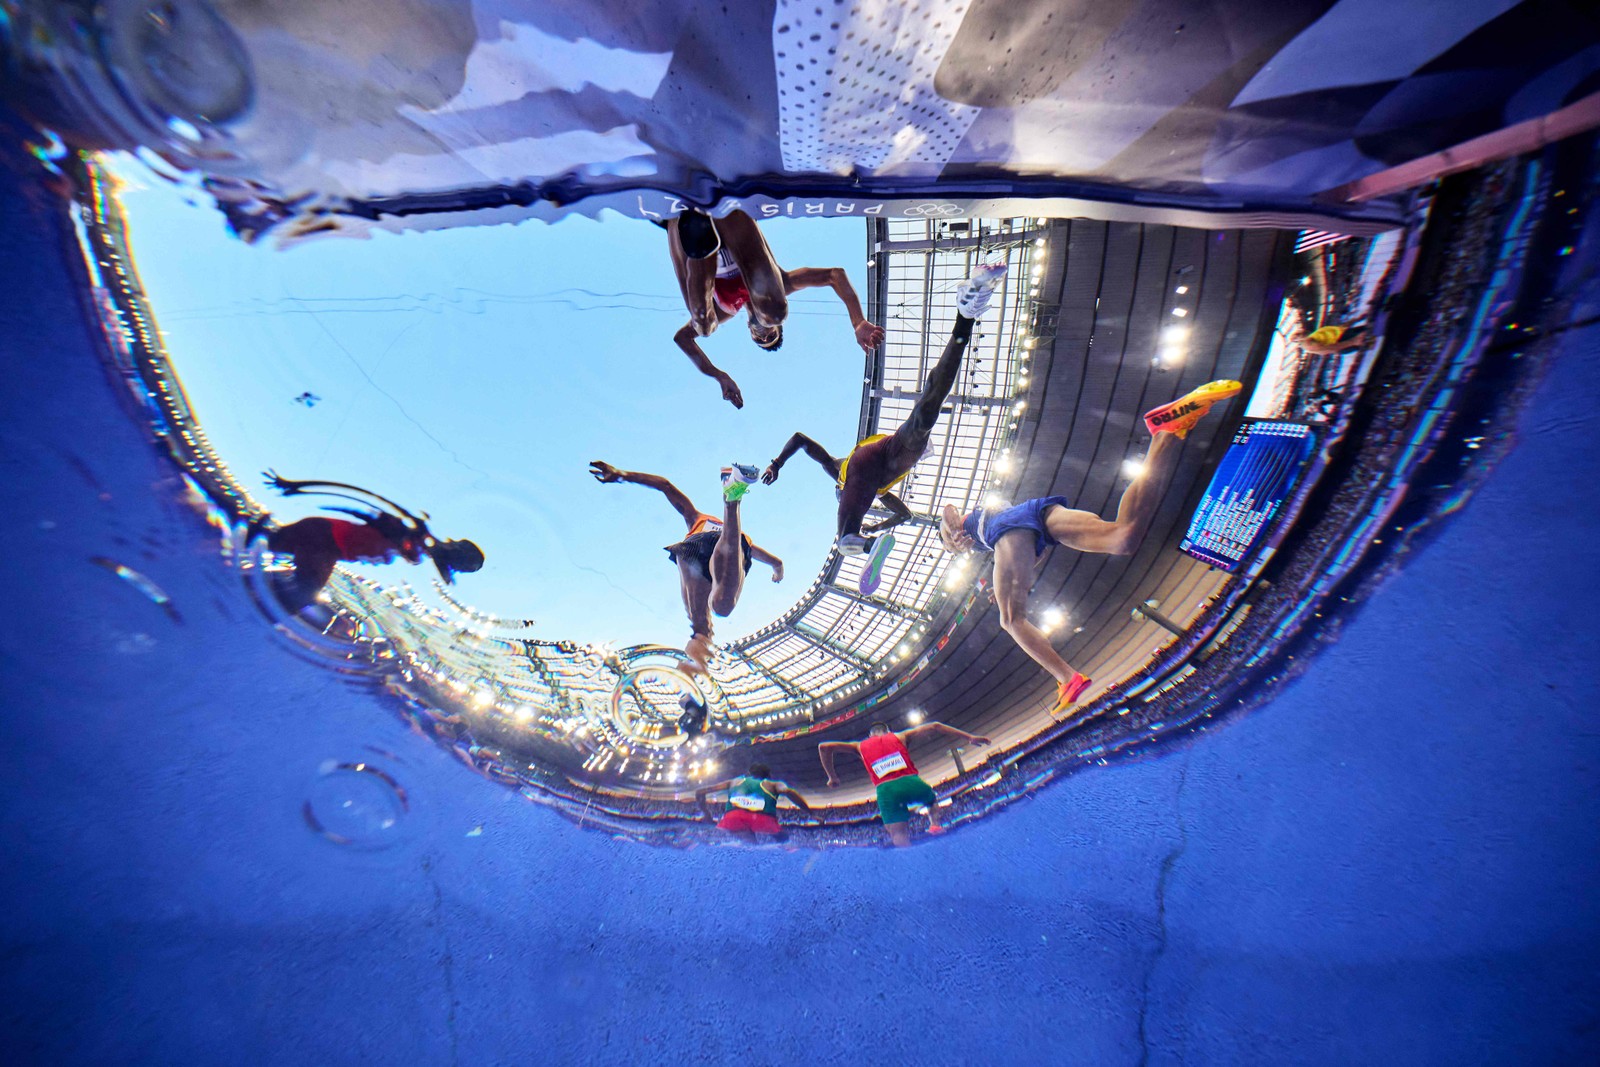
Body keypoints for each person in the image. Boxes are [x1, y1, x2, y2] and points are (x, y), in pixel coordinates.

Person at [937, 379, 1242, 716]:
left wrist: (948, 532)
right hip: (1038, 519)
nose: (957, 547)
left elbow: (947, 511)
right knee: (1123, 538)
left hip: (1009, 529)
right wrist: (1017, 576)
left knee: (1010, 620)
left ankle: (1067, 678)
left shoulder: (968, 528)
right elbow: (1036, 551)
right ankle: (1165, 432)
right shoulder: (988, 541)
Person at [761, 262, 1008, 562]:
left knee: (926, 410)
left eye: (844, 499)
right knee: (927, 409)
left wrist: (777, 463)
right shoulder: (880, 492)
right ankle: (965, 317)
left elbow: (801, 439)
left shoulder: (839, 472)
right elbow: (904, 514)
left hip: (874, 459)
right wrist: (879, 526)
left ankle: (853, 540)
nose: (850, 500)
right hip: (895, 457)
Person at [665, 208, 885, 408]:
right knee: (774, 312)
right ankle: (709, 218)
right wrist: (857, 321)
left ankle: (688, 229)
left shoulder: (725, 309)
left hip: (696, 249)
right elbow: (834, 275)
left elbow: (682, 339)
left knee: (704, 326)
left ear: (749, 330)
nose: (763, 336)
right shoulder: (782, 285)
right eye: (771, 335)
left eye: (759, 339)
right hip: (731, 219)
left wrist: (719, 375)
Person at [589, 460, 783, 679]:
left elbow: (665, 485)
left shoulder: (696, 518)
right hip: (732, 544)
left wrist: (622, 474)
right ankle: (731, 503)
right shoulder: (743, 540)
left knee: (703, 629)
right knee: (722, 605)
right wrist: (778, 571)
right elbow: (776, 562)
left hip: (694, 549)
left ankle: (688, 687)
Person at [255, 473, 484, 613]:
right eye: (459, 565)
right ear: (456, 553)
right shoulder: (417, 532)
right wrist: (299, 487)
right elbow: (365, 501)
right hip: (326, 538)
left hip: (327, 540)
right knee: (300, 596)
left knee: (261, 541)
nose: (452, 569)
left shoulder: (422, 550)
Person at [818, 720, 990, 846]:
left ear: (870, 735)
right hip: (911, 781)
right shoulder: (900, 736)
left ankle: (910, 860)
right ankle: (935, 825)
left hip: (886, 789)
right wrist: (969, 737)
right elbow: (935, 725)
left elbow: (824, 747)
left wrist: (832, 776)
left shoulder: (860, 746)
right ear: (888, 731)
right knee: (930, 800)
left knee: (896, 831)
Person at [695, 763, 812, 842]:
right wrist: (811, 813)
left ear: (749, 774)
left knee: (748, 844)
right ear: (768, 775)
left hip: (733, 819)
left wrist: (707, 814)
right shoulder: (773, 783)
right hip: (763, 820)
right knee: (783, 838)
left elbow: (700, 792)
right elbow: (788, 791)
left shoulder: (734, 781)